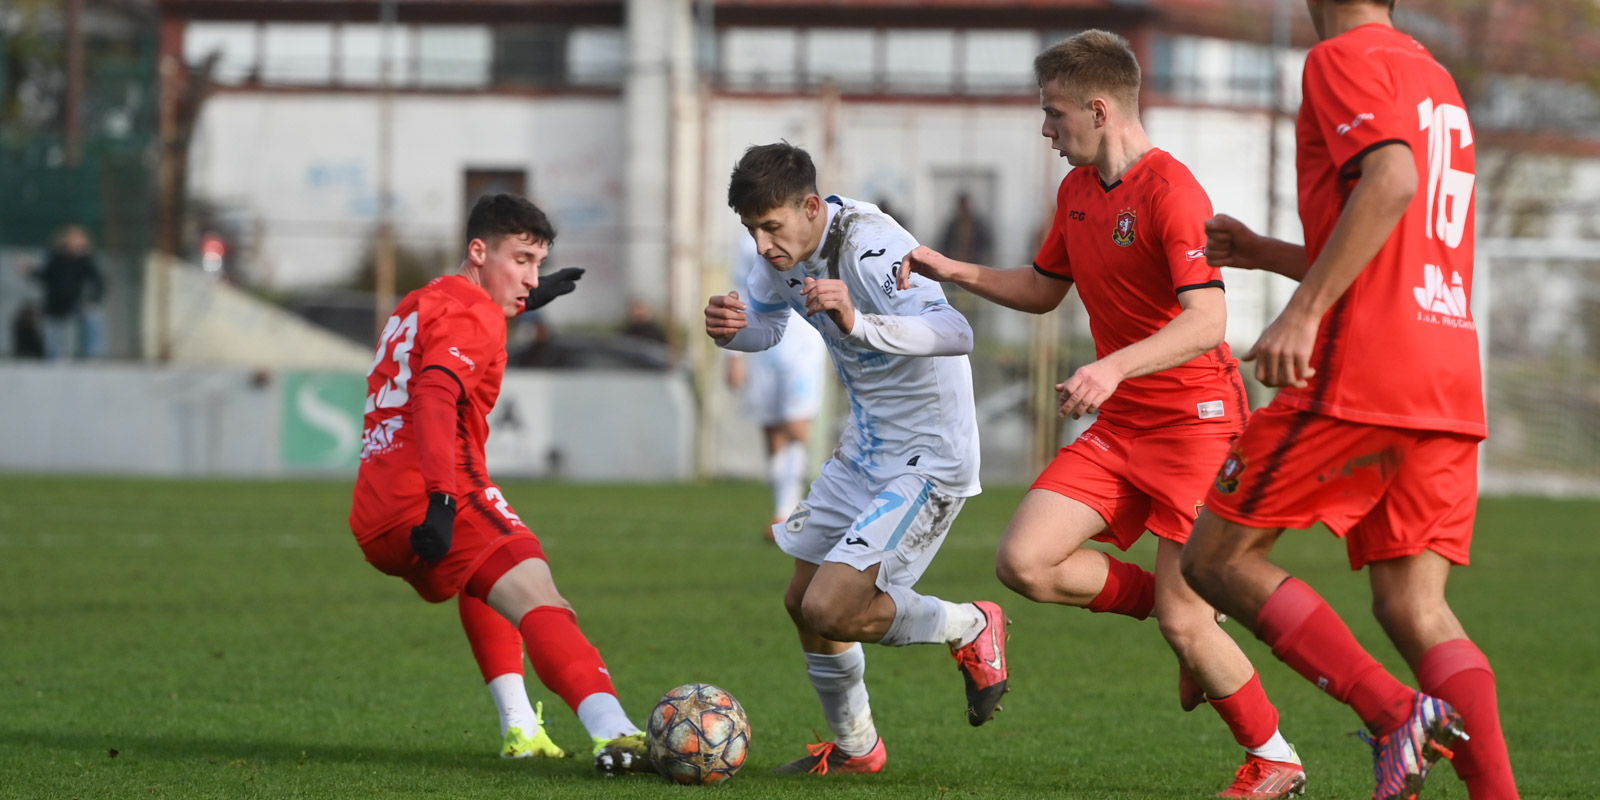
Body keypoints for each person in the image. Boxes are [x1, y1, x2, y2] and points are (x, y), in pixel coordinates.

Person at [900, 30, 1305, 799]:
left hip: (1198, 424)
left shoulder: (1172, 192)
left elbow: (1208, 321)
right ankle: (1191, 608)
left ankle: (1276, 757)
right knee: (1025, 562)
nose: (1045, 130)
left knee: (1187, 626)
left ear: (1098, 107)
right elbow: (1045, 287)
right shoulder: (1077, 193)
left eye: (1054, 115)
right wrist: (950, 269)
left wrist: (1112, 366)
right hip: (1123, 427)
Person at [1179, 2, 1516, 799]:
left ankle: (1397, 713)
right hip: (1448, 371)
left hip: (1366, 370)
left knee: (1215, 560)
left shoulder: (1339, 57)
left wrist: (1303, 311)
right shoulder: (1435, 78)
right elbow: (1400, 241)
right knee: (1413, 603)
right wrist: (1272, 256)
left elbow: (1393, 179)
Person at [704, 142, 1007, 775]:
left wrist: (860, 321)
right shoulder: (779, 256)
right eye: (751, 229)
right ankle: (855, 748)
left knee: (830, 607)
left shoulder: (874, 249)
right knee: (801, 600)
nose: (761, 244)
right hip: (866, 446)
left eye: (771, 226)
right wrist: (737, 331)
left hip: (928, 456)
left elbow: (958, 333)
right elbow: (769, 324)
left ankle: (970, 625)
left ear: (811, 207)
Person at [347, 194, 650, 774]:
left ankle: (521, 729)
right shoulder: (477, 315)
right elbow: (436, 392)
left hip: (375, 512)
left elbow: (454, 323)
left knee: (483, 579)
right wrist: (441, 498)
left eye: (538, 263)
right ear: (478, 250)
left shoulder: (417, 302)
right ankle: (615, 732)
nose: (530, 277)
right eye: (522, 261)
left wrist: (526, 296)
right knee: (542, 599)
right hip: (436, 493)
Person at [723, 233, 828, 539]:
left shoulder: (811, 231)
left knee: (797, 427)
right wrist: (734, 355)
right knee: (772, 431)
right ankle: (786, 511)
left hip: (805, 345)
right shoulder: (748, 243)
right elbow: (740, 290)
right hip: (762, 345)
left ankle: (787, 515)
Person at [33, 225, 105, 360]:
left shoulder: (85, 260)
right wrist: (29, 271)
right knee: (54, 349)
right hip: (55, 306)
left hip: (75, 305)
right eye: (71, 239)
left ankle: (94, 353)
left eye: (77, 240)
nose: (73, 243)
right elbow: (44, 276)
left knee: (94, 315)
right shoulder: (55, 257)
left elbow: (98, 282)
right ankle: (55, 358)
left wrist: (92, 300)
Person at [936, 192, 993, 266]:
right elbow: (944, 243)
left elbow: (985, 243)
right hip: (954, 263)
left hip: (974, 264)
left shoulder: (978, 224)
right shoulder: (953, 224)